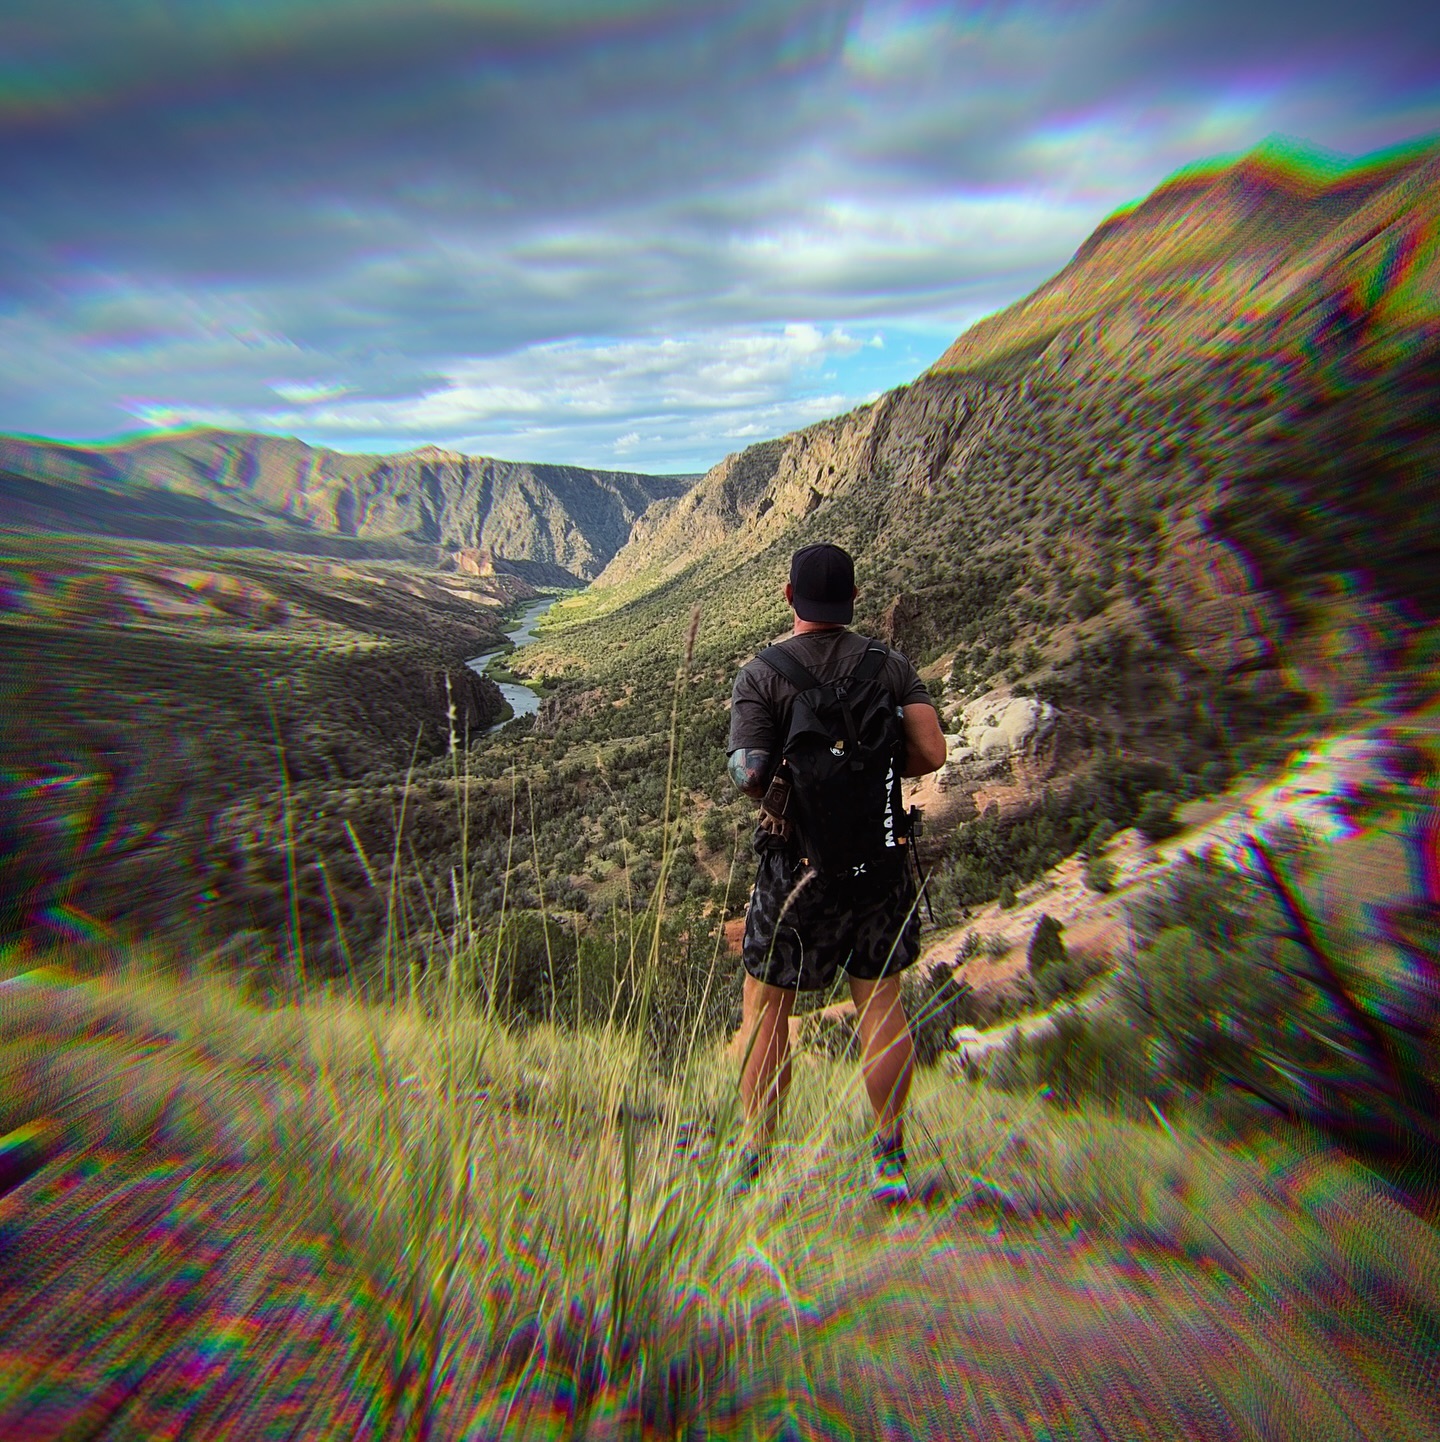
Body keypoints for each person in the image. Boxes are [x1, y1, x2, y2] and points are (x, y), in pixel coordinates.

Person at [726, 543, 947, 1202]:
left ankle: (756, 1156)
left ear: (790, 597)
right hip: (877, 865)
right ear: (852, 599)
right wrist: (873, 771)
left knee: (766, 1012)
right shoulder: (890, 665)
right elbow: (930, 752)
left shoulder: (762, 673)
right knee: (881, 1005)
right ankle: (889, 1157)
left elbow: (750, 774)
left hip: (793, 868)